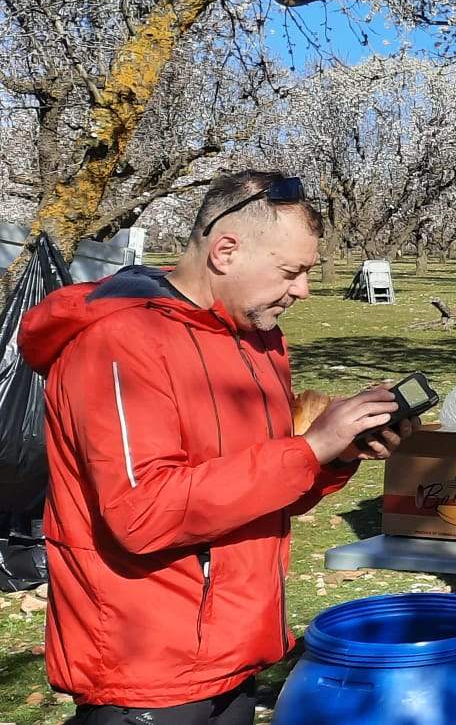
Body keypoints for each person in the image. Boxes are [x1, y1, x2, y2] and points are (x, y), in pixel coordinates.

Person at [23, 171, 419, 724]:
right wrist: (309, 450)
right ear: (225, 250)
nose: (303, 289)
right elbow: (143, 514)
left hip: (237, 651)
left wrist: (336, 454)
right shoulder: (120, 342)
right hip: (148, 669)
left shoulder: (257, 337)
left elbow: (262, 489)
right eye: (291, 271)